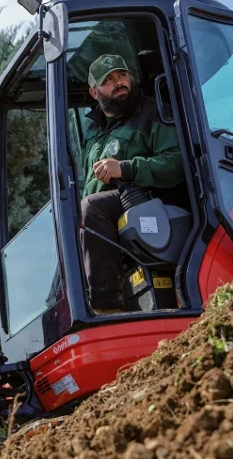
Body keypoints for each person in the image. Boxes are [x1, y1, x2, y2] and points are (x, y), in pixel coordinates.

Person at [78, 54, 185, 314]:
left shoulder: (153, 113)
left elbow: (177, 163)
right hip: (106, 217)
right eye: (109, 80)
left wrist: (125, 168)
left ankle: (107, 309)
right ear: (94, 92)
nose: (119, 83)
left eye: (122, 75)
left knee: (91, 207)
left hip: (146, 201)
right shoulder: (93, 133)